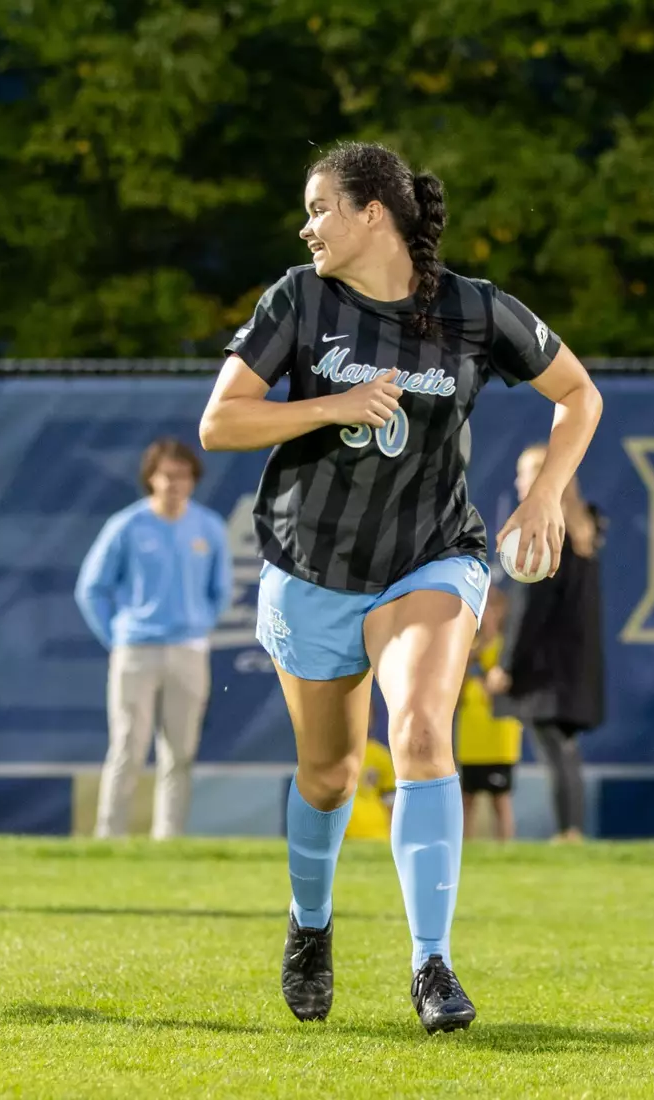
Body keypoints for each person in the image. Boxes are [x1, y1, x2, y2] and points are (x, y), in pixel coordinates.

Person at [198, 140, 602, 1033]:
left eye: (319, 208)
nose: (308, 226)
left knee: (421, 730)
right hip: (312, 568)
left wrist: (542, 496)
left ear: (371, 213)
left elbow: (579, 395)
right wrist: (329, 405)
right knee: (331, 774)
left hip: (433, 554)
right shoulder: (298, 300)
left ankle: (432, 965)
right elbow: (219, 421)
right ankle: (310, 926)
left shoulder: (471, 309)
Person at [75, 438, 232, 839]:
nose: (174, 484)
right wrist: (117, 636)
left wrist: (197, 626)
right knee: (128, 746)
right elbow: (91, 588)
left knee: (180, 752)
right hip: (136, 649)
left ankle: (168, 838)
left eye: (182, 476)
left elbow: (221, 592)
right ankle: (109, 836)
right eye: (166, 475)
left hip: (189, 651)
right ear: (151, 479)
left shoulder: (209, 527)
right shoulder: (127, 526)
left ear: (193, 481)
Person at [488, 444, 606, 843]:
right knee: (564, 748)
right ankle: (571, 827)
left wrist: (507, 662)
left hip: (543, 666)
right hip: (574, 660)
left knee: (554, 747)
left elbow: (528, 607)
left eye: (525, 473)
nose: (519, 482)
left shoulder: (540, 528)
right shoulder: (582, 527)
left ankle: (568, 831)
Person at [457, 587, 522, 842]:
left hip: (499, 734)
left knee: (500, 798)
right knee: (467, 798)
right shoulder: (466, 648)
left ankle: (506, 851)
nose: (488, 615)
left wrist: (488, 643)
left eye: (493, 608)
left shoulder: (507, 648)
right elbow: (456, 694)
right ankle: (463, 853)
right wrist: (473, 653)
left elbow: (504, 684)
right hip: (470, 735)